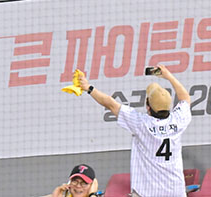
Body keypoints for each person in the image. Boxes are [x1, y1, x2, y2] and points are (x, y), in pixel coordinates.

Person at [73, 65, 192, 197]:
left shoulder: (141, 123)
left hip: (148, 194)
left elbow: (110, 104)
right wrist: (169, 76)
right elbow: (185, 98)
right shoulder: (178, 120)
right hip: (176, 192)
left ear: (148, 107)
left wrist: (88, 88)